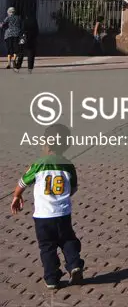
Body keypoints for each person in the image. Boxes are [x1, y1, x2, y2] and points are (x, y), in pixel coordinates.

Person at [10, 123, 84, 289]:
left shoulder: (38, 165)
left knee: (47, 246)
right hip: (63, 214)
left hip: (43, 217)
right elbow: (73, 188)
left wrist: (16, 195)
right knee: (67, 240)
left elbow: (22, 182)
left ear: (47, 144)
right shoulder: (68, 165)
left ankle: (51, 278)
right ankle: (74, 265)